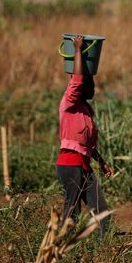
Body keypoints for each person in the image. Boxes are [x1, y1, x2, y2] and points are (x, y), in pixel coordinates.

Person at [55, 34, 113, 235]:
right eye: (90, 84)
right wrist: (78, 50)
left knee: (102, 211)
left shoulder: (85, 110)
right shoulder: (69, 103)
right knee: (72, 211)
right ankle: (61, 250)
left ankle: (101, 249)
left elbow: (88, 144)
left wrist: (101, 161)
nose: (93, 88)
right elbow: (77, 80)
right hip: (70, 165)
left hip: (84, 165)